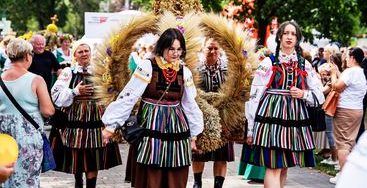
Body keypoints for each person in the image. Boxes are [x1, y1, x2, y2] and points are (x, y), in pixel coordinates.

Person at [102, 28, 204, 188]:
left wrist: (194, 134)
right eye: (171, 49)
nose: (175, 53)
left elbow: (190, 104)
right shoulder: (147, 66)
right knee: (151, 169)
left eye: (179, 49)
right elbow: (129, 96)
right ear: (162, 47)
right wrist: (111, 125)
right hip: (151, 124)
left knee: (175, 171)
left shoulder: (184, 72)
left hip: (177, 127)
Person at [243, 20, 324, 188]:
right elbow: (255, 95)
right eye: (286, 33)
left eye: (293, 34)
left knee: (284, 166)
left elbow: (319, 95)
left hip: (294, 120)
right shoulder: (268, 62)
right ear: (280, 37)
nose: (289, 37)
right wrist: (251, 128)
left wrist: (304, 94)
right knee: (273, 166)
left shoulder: (305, 65)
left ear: (297, 39)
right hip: (271, 118)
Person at [49, 40, 122, 188]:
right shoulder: (68, 72)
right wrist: (75, 91)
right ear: (75, 54)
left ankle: (90, 185)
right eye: (80, 51)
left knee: (93, 154)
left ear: (91, 52)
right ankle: (78, 182)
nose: (84, 54)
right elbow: (55, 96)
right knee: (76, 153)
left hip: (96, 120)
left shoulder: (100, 72)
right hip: (75, 121)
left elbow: (110, 92)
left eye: (86, 51)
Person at [0, 38, 55, 187]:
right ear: (27, 56)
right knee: (27, 181)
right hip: (28, 139)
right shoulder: (36, 80)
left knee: (5, 180)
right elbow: (48, 111)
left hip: (3, 140)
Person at [192, 38, 233, 188]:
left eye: (216, 48)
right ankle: (197, 183)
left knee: (222, 155)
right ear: (203, 49)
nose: (213, 51)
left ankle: (218, 186)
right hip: (202, 114)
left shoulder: (228, 69)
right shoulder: (196, 69)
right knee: (199, 152)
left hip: (224, 115)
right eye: (210, 48)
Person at [329, 47, 367, 184]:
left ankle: (343, 176)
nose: (346, 59)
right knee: (350, 142)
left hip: (345, 110)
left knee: (343, 144)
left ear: (352, 58)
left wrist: (333, 74)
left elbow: (336, 87)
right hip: (357, 110)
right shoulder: (362, 73)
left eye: (347, 57)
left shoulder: (350, 71)